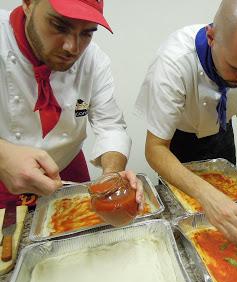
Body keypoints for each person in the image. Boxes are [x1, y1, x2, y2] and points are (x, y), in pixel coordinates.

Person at [136, 0, 237, 249]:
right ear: (211, 37)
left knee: (229, 227)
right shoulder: (173, 62)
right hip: (176, 146)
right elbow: (155, 148)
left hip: (221, 132)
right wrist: (207, 195)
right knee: (191, 232)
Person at [0, 0, 143, 209]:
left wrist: (112, 175)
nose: (72, 48)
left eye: (86, 33)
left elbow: (110, 126)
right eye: (59, 26)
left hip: (66, 167)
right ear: (28, 4)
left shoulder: (93, 60)